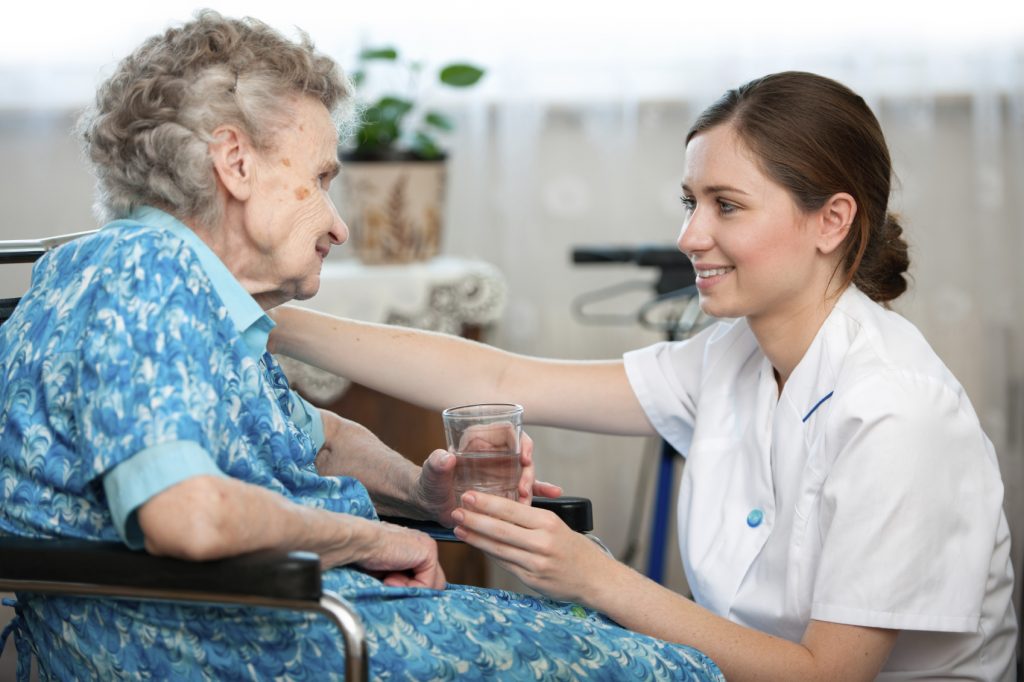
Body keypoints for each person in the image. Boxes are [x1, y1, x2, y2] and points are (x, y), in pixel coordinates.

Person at [0, 11, 726, 681]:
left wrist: (424, 492)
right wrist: (374, 540)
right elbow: (191, 517)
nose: (338, 225)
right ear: (235, 163)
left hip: (271, 625)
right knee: (676, 668)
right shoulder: (142, 275)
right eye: (319, 179)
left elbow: (314, 441)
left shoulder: (180, 292)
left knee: (629, 635)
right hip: (229, 643)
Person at [269, 71, 1019, 680]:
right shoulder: (734, 355)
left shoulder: (897, 412)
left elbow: (826, 675)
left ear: (833, 221)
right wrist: (270, 319)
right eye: (691, 203)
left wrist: (595, 577)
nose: (690, 236)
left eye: (727, 206)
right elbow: (497, 372)